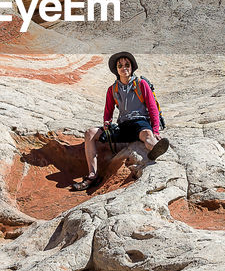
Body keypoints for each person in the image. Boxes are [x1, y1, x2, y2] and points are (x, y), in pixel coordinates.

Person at [70, 51, 170, 191]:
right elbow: (108, 112)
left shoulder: (141, 84)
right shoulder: (113, 89)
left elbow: (152, 108)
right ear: (116, 70)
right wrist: (106, 122)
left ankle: (155, 148)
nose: (124, 68)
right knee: (89, 133)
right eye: (120, 65)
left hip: (139, 123)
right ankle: (92, 175)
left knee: (147, 135)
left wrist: (155, 130)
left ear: (132, 67)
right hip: (123, 126)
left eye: (127, 65)